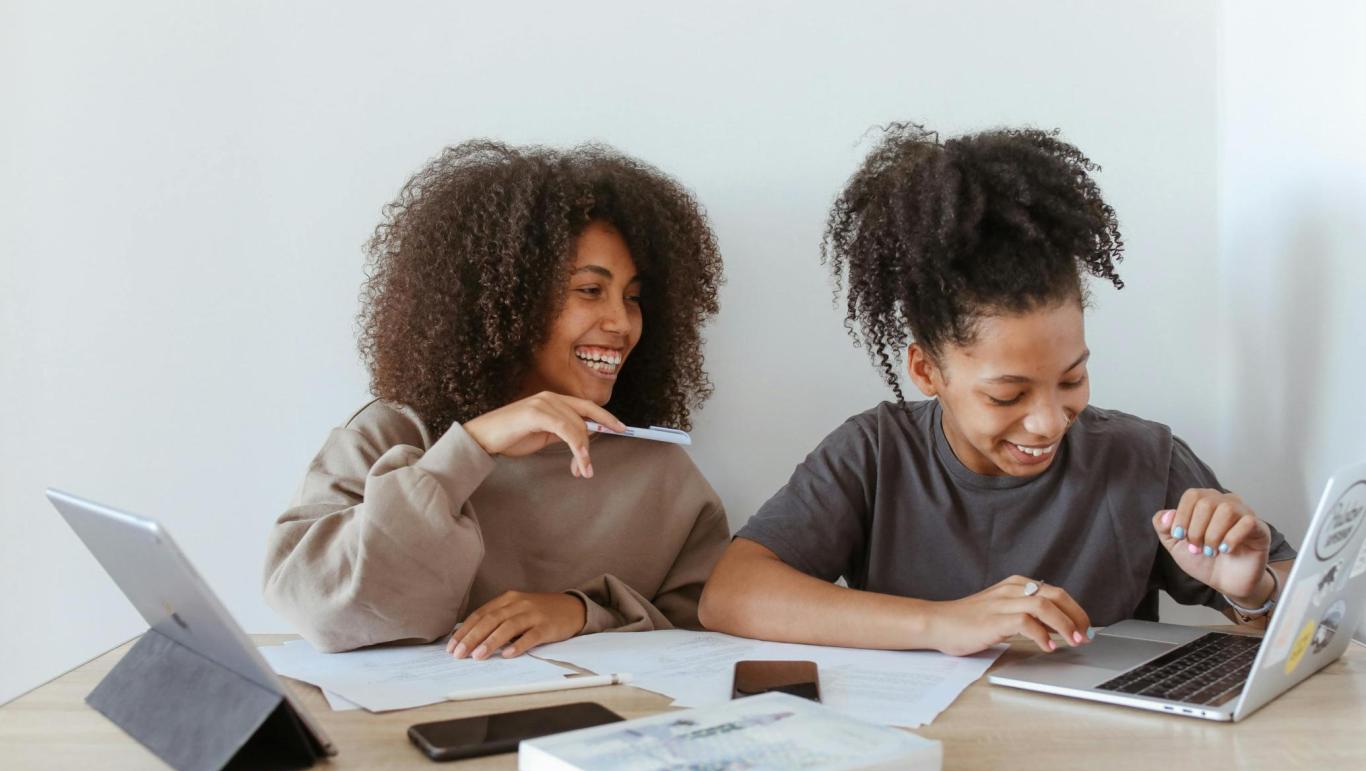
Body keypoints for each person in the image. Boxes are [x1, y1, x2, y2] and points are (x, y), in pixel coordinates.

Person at [698, 123, 1295, 656]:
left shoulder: (1142, 460)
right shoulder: (875, 454)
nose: (1050, 422)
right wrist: (943, 624)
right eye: (1008, 396)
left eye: (1072, 379)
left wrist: (1256, 591)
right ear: (927, 371)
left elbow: (1315, 619)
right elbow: (730, 593)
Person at [265, 141, 728, 656]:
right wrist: (471, 449)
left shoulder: (657, 469)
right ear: (507, 298)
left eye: (633, 297)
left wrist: (580, 611)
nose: (620, 322)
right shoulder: (390, 435)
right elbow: (325, 611)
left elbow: (706, 629)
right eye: (589, 291)